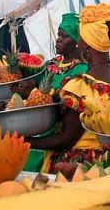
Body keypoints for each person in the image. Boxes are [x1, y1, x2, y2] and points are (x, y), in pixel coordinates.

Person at [29, 4, 110, 173]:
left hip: (84, 163)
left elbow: (67, 138)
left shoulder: (78, 87)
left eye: (80, 38)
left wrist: (28, 141)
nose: (78, 43)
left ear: (87, 45)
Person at [12, 13, 88, 172]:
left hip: (60, 135)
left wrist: (33, 91)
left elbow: (65, 104)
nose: (58, 39)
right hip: (36, 125)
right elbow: (36, 84)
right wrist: (23, 86)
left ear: (77, 42)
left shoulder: (82, 70)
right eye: (58, 34)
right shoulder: (51, 64)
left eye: (64, 36)